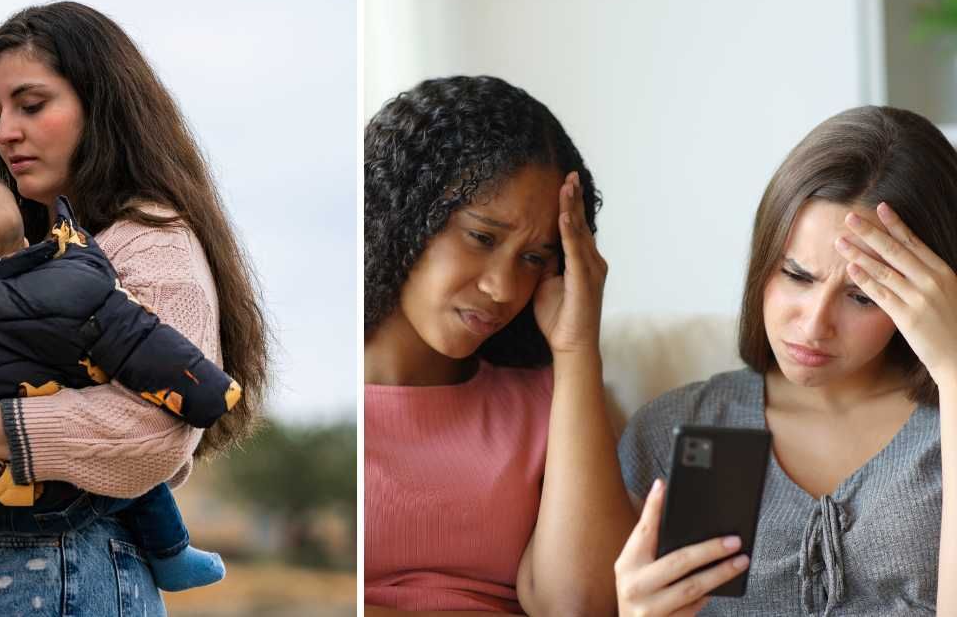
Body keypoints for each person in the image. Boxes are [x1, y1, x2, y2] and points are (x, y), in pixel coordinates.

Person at [0, 1, 267, 616]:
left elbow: (156, 433)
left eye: (31, 104)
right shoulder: (11, 265)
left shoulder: (147, 241)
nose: (5, 132)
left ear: (100, 106)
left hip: (73, 572)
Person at [614, 105, 957, 616]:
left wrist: (953, 372)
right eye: (796, 275)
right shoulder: (673, 430)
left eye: (863, 296)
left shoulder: (942, 428)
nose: (814, 325)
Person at [0, 170, 237, 592]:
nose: (8, 132)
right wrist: (211, 393)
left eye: (31, 104)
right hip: (63, 507)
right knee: (142, 485)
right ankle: (171, 552)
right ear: (25, 246)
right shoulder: (73, 286)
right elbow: (143, 345)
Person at [363, 75, 634, 616]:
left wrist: (578, 348)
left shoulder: (557, 404)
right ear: (406, 215)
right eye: (482, 237)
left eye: (535, 257)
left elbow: (581, 607)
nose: (502, 288)